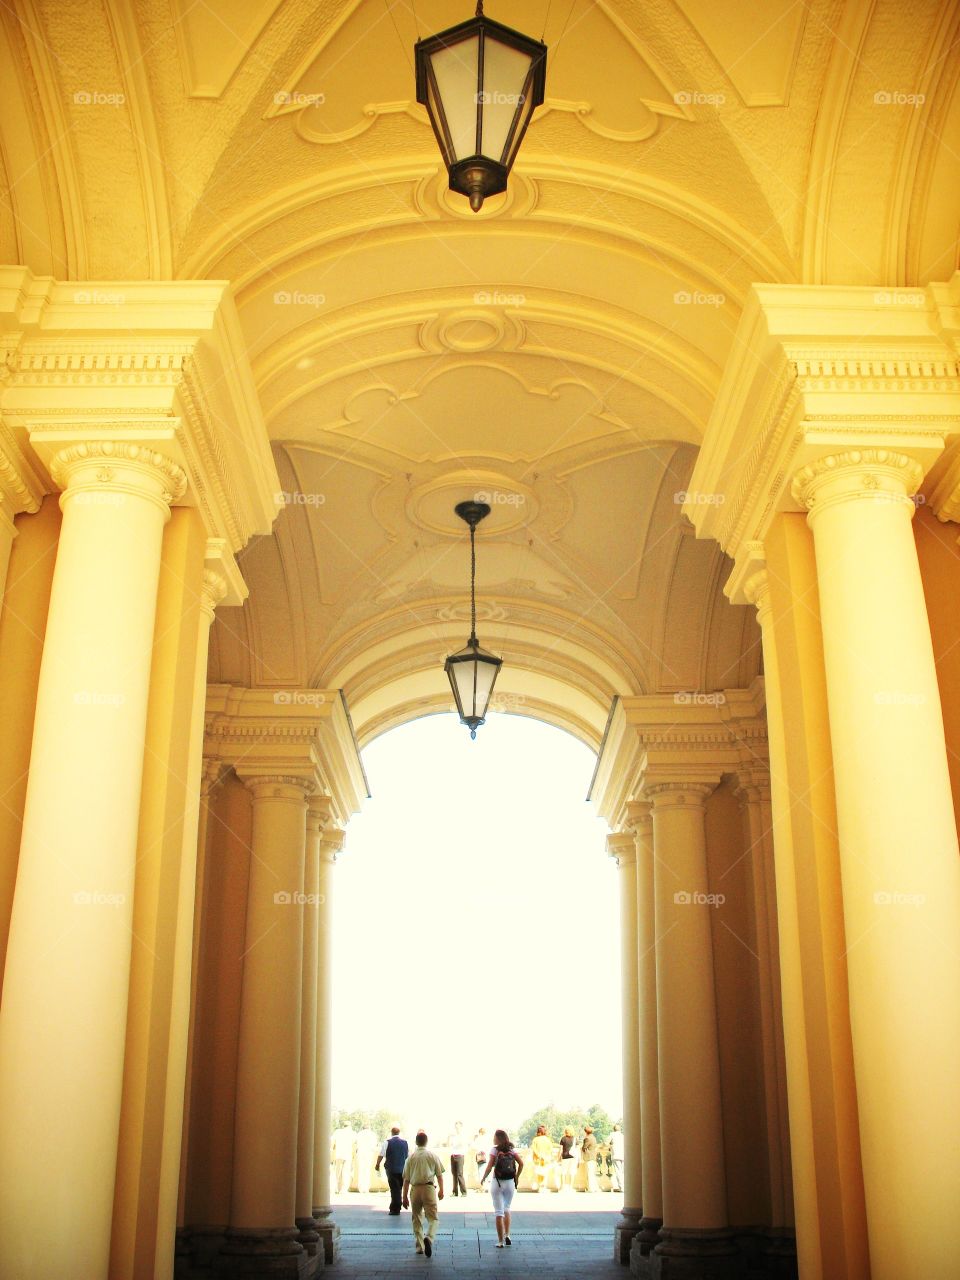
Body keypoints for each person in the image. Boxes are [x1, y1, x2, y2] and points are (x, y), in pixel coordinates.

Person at [401, 1130, 445, 1257]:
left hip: (415, 1189)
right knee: (433, 1218)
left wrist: (404, 1197)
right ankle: (429, 1238)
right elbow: (440, 1175)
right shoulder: (432, 1156)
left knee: (416, 1219)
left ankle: (420, 1246)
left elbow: (406, 1180)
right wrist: (441, 1190)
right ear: (426, 1142)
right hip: (429, 1188)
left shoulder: (410, 1158)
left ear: (416, 1142)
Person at [480, 1129, 524, 1247]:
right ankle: (507, 1235)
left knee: (499, 1212)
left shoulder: (494, 1150)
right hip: (510, 1182)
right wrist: (517, 1177)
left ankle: (500, 1241)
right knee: (507, 1208)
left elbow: (489, 1166)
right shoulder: (512, 1150)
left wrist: (483, 1177)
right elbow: (521, 1163)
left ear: (498, 1139)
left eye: (494, 1137)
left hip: (497, 1182)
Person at [376, 1126, 408, 1215]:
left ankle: (395, 1208)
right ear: (399, 1133)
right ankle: (397, 1205)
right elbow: (408, 1156)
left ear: (392, 1133)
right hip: (402, 1169)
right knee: (399, 1188)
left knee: (394, 1188)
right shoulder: (405, 1143)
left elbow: (381, 1154)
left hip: (391, 1169)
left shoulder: (387, 1142)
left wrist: (377, 1164)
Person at [331, 1122, 355, 1194]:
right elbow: (354, 1144)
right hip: (348, 1155)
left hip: (339, 1154)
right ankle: (343, 1190)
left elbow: (332, 1143)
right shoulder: (352, 1133)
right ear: (349, 1126)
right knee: (346, 1173)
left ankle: (335, 1188)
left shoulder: (337, 1132)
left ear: (343, 1126)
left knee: (337, 1172)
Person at [355, 1122, 379, 1194]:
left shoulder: (359, 1134)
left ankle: (361, 1188)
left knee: (361, 1170)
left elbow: (356, 1144)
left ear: (363, 1128)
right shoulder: (373, 1134)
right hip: (369, 1153)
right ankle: (366, 1188)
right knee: (367, 1170)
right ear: (369, 1127)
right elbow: (375, 1145)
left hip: (361, 1152)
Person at [530, 1124, 553, 1192]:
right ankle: (543, 1187)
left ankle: (540, 1186)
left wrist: (539, 1155)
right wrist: (545, 1157)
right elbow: (550, 1150)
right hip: (546, 1159)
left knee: (539, 1173)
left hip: (537, 1159)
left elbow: (534, 1149)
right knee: (545, 1173)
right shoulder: (548, 1140)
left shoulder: (535, 1139)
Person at [447, 1120, 468, 1197]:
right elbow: (449, 1145)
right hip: (453, 1155)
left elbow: (462, 1145)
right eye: (456, 1127)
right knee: (454, 1174)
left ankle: (464, 1192)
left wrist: (455, 1143)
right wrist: (449, 1138)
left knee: (459, 1174)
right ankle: (454, 1192)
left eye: (458, 1127)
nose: (457, 1128)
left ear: (461, 1127)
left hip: (460, 1155)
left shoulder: (463, 1136)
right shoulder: (453, 1136)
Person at [581, 1125, 599, 1192]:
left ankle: (591, 1188)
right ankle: (594, 1188)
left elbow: (584, 1147)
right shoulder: (594, 1138)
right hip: (593, 1156)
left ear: (586, 1131)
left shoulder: (587, 1138)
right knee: (592, 1173)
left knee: (590, 1173)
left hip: (589, 1157)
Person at [559, 1126, 576, 1190]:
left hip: (565, 1157)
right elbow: (577, 1149)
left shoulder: (563, 1139)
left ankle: (563, 1186)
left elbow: (560, 1150)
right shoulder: (574, 1139)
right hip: (573, 1157)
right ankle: (571, 1186)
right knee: (572, 1172)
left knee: (563, 1172)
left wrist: (558, 1157)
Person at [609, 1123, 624, 1192]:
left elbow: (606, 1143)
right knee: (623, 1172)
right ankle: (625, 1186)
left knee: (618, 1172)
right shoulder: (622, 1136)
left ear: (613, 1129)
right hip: (623, 1155)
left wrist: (610, 1146)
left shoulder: (612, 1135)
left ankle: (622, 1187)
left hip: (616, 1155)